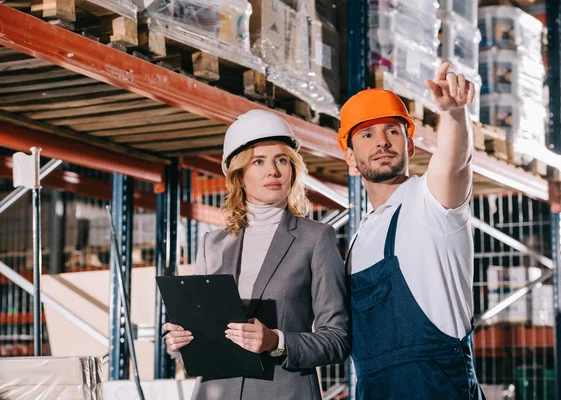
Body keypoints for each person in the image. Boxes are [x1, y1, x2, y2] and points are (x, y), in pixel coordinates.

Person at [163, 109, 350, 400]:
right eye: (258, 161)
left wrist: (277, 342)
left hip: (284, 393)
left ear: (293, 169)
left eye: (281, 160)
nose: (273, 171)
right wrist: (180, 340)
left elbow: (337, 340)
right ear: (239, 174)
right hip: (216, 392)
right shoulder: (210, 245)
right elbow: (203, 334)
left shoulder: (316, 238)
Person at [339, 62, 485, 399]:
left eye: (392, 131)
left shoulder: (431, 202)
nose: (382, 142)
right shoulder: (359, 239)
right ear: (349, 157)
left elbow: (455, 161)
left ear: (411, 146)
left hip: (436, 387)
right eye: (367, 134)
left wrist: (453, 113)